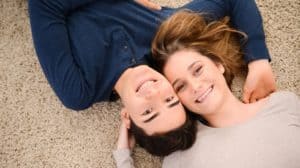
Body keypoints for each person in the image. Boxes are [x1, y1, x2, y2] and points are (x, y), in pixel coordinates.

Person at [29, 0, 275, 151]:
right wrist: (258, 62)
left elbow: (43, 5)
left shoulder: (79, 91)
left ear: (127, 118)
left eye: (147, 112)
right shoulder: (167, 37)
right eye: (170, 100)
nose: (153, 93)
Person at [114, 10, 300, 168]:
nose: (195, 87)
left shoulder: (284, 104)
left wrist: (258, 61)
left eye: (197, 70)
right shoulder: (180, 154)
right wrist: (123, 155)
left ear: (218, 64)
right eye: (180, 86)